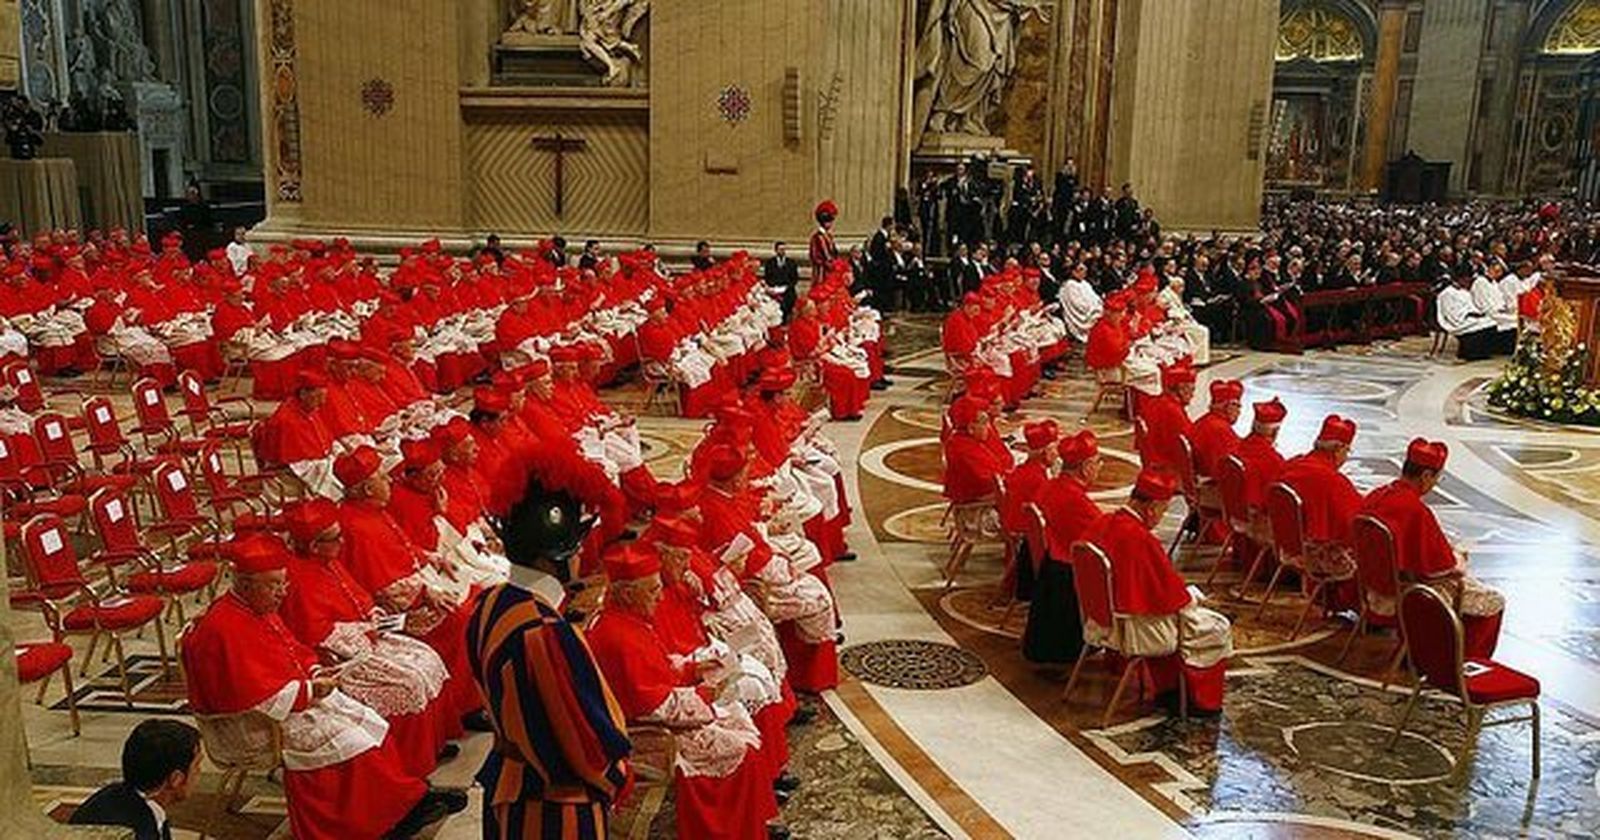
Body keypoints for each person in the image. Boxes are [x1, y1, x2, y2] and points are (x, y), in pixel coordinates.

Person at [181, 535, 465, 840]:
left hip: (287, 703)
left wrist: (315, 671)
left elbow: (294, 648)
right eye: (274, 586)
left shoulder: (258, 607)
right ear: (246, 585)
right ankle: (369, 823)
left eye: (284, 584)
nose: (282, 594)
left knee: (369, 720)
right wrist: (308, 690)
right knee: (349, 736)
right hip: (253, 723)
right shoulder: (222, 629)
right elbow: (243, 694)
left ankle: (402, 804)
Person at [585, 546, 786, 840]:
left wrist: (694, 668)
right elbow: (653, 705)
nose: (659, 596)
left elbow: (661, 667)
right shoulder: (618, 637)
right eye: (652, 590)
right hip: (652, 731)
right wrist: (706, 693)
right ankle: (726, 831)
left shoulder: (626, 620)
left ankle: (750, 824)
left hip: (668, 712)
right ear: (627, 594)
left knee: (741, 720)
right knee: (739, 748)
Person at [1078, 469, 1233, 714]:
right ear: (1152, 507)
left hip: (1098, 621)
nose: (1161, 517)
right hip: (1133, 630)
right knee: (1216, 626)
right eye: (1163, 510)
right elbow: (1170, 599)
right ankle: (1196, 701)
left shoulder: (1102, 523)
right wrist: (1192, 596)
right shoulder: (1139, 539)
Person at [1360, 438, 1506, 658]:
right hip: (1406, 594)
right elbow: (1443, 569)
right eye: (1437, 478)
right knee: (1492, 600)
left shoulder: (1377, 494)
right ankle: (1460, 663)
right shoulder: (1415, 510)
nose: (1435, 484)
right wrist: (1460, 558)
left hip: (1370, 586)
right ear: (1426, 475)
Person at [1023, 430, 1104, 664]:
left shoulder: (1051, 486)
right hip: (1070, 572)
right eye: (1098, 462)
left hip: (1051, 565)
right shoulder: (1076, 501)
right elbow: (1103, 537)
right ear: (1085, 466)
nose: (1100, 467)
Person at [69, 719, 203, 840]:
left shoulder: (111, 794)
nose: (199, 773)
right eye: (196, 766)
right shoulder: (141, 833)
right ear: (176, 779)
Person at [1439, 263, 1500, 361]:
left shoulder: (1464, 292)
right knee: (1482, 325)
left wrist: (1478, 313)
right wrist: (1469, 314)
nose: (1469, 282)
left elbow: (1472, 306)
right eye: (1467, 280)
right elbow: (1452, 313)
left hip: (1470, 317)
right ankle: (1469, 352)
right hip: (1459, 321)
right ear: (1460, 279)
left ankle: (1482, 352)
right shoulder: (1447, 293)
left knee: (1491, 322)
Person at [1189, 379, 1242, 479]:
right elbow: (1229, 469)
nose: (1239, 412)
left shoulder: (1204, 420)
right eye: (1237, 407)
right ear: (1227, 407)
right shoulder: (1221, 430)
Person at [763, 241, 800, 322]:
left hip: (787, 289)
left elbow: (795, 279)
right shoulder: (770, 263)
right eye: (780, 249)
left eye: (784, 249)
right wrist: (774, 288)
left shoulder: (791, 263)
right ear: (776, 250)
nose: (782, 251)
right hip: (774, 288)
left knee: (789, 298)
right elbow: (767, 277)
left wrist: (785, 287)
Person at [809, 201, 839, 277]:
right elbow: (814, 256)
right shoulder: (816, 237)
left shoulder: (829, 236)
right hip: (821, 273)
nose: (831, 224)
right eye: (829, 221)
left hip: (831, 272)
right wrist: (826, 263)